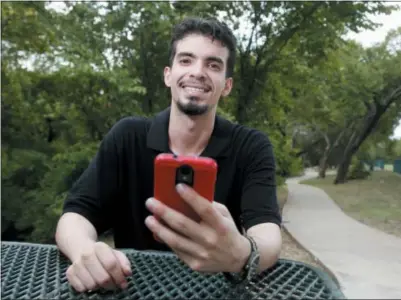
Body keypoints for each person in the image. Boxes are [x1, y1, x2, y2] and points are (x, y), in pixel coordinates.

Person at [55, 16, 282, 293]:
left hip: (218, 291)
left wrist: (244, 255)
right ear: (168, 75)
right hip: (135, 288)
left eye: (213, 64)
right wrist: (84, 251)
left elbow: (268, 233)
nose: (198, 72)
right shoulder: (128, 136)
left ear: (227, 86)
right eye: (186, 60)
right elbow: (75, 216)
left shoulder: (251, 146)